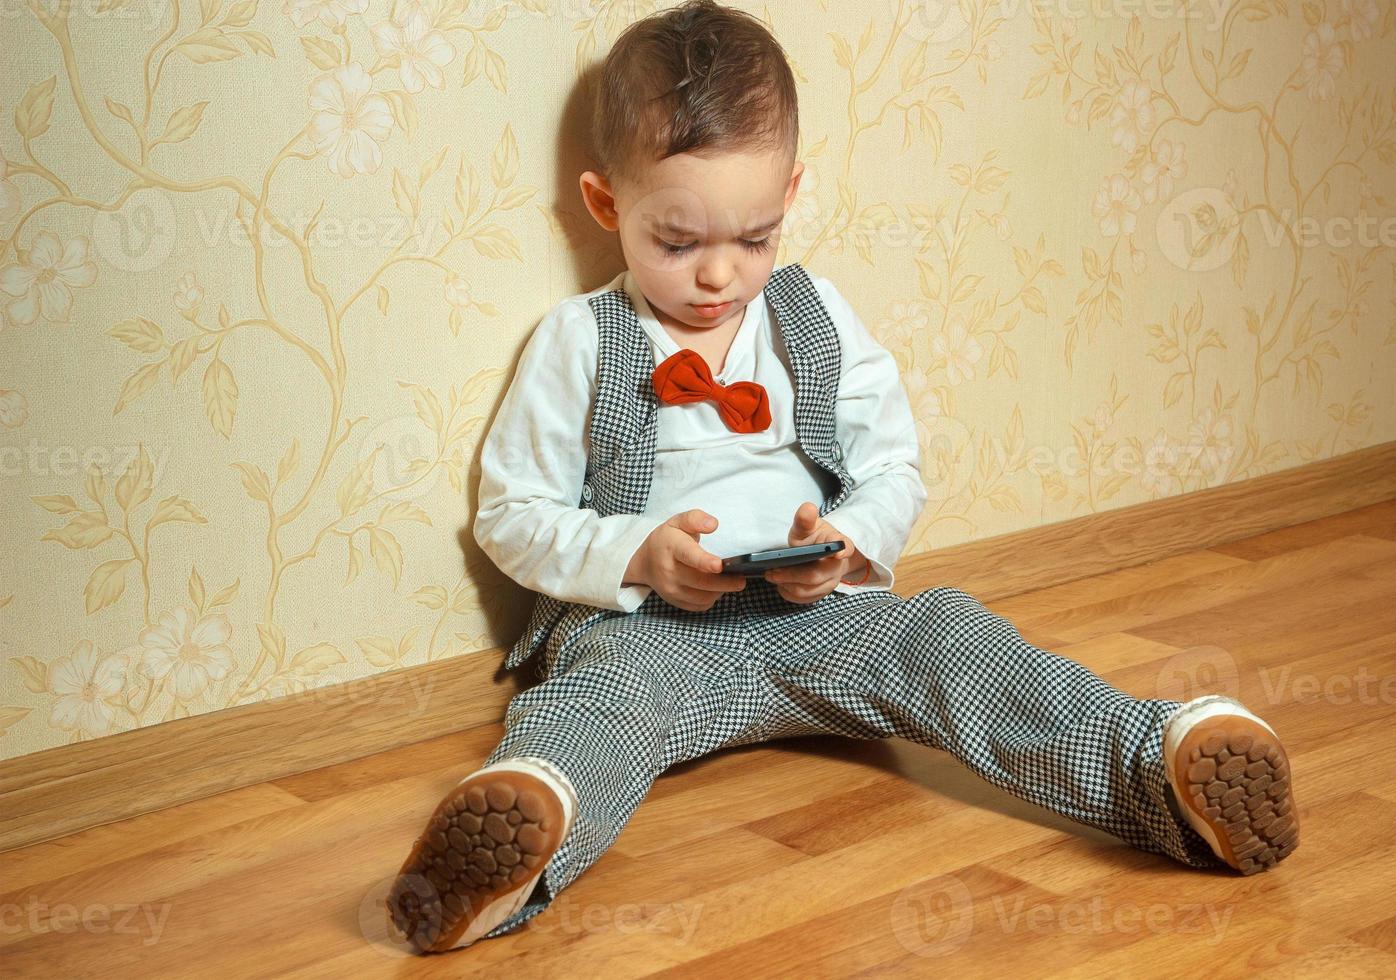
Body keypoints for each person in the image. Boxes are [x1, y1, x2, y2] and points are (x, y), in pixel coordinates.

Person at [386, 0, 1299, 954]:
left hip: (819, 614)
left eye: (754, 236)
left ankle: (1160, 763)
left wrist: (849, 542)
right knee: (589, 712)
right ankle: (517, 835)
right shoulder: (577, 341)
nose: (718, 277)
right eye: (677, 242)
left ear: (791, 193)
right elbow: (512, 514)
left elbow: (890, 463)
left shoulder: (813, 315)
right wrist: (634, 555)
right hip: (646, 632)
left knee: (952, 637)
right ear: (608, 205)